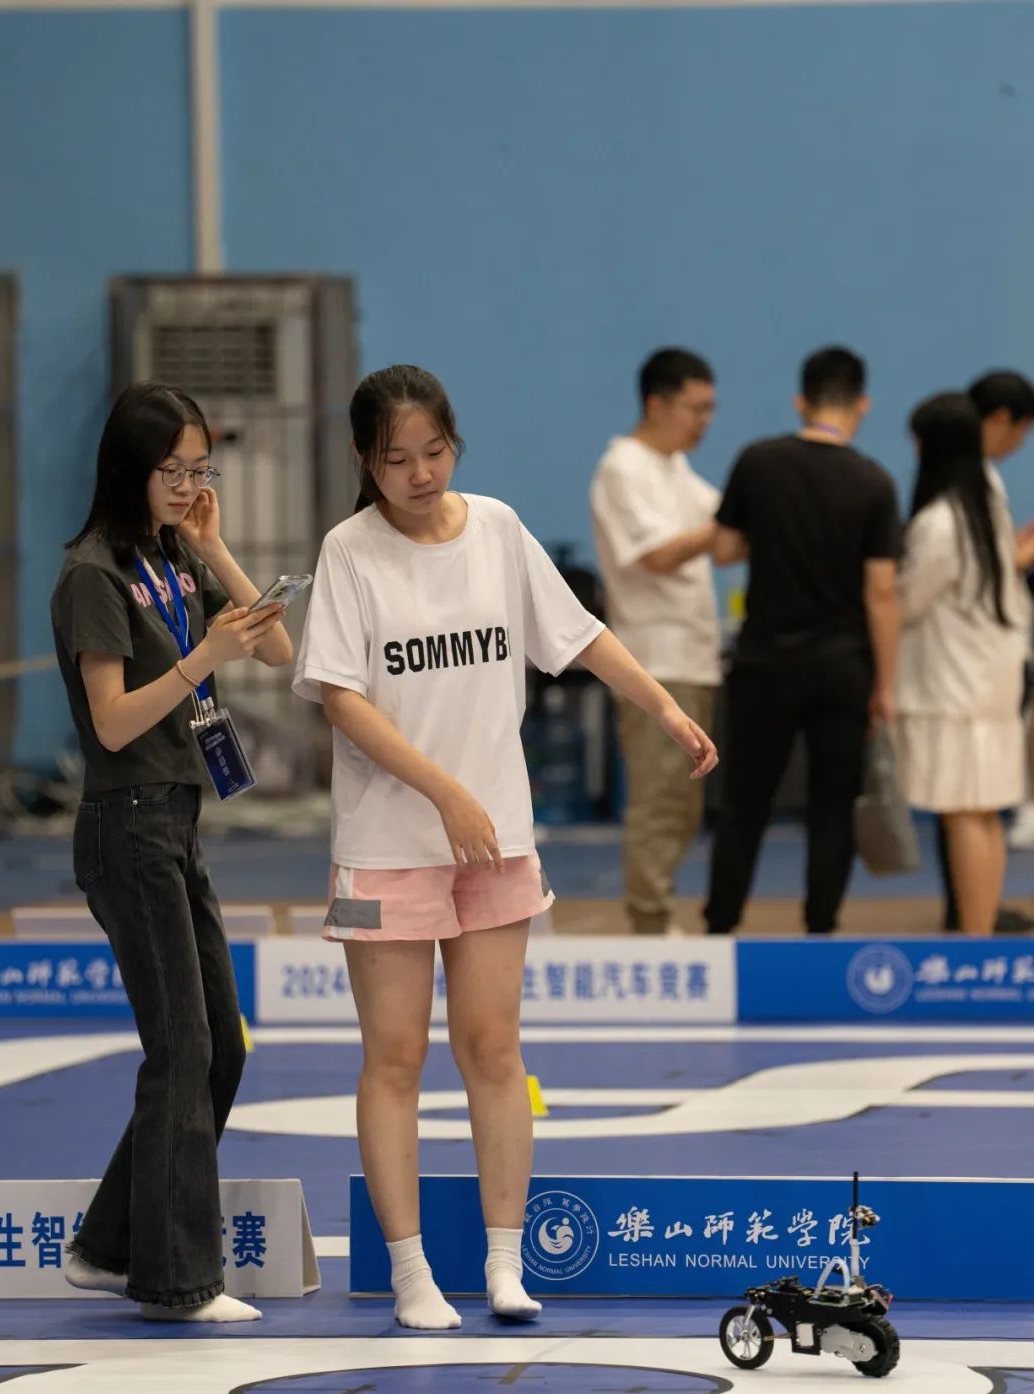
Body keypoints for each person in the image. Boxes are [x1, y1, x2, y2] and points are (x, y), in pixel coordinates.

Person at [293, 364, 718, 1330]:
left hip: (495, 843)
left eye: (435, 451)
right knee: (394, 1057)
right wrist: (444, 792)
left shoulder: (497, 529)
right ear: (364, 460)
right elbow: (344, 701)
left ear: (456, 443)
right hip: (386, 845)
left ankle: (505, 1262)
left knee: (493, 1048)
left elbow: (581, 635)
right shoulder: (349, 552)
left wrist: (661, 707)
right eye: (397, 459)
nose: (420, 473)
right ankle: (411, 1273)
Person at [51, 382, 291, 1323]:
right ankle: (176, 1279)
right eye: (175, 471)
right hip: (128, 823)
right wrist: (201, 662)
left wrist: (215, 550)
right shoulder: (94, 575)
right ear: (130, 470)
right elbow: (111, 723)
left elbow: (276, 651)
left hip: (175, 822)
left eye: (201, 469)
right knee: (183, 1049)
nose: (191, 486)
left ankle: (110, 1245)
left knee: (219, 1044)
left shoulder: (171, 556)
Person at [704, 346, 901, 934]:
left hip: (764, 661)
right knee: (833, 805)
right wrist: (886, 685)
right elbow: (882, 593)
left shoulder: (758, 461)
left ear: (801, 401)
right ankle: (821, 926)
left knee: (744, 803)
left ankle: (722, 925)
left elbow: (723, 549)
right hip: (843, 666)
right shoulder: (875, 482)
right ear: (862, 404)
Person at [590, 348, 721, 934]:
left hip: (694, 656)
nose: (704, 422)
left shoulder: (677, 469)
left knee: (684, 804)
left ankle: (657, 915)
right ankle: (648, 925)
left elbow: (727, 538)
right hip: (654, 663)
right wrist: (735, 520)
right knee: (660, 799)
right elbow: (660, 555)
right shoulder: (624, 468)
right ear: (656, 404)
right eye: (696, 408)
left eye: (711, 409)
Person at [897, 393, 1028, 933]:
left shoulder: (940, 522)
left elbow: (908, 601)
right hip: (988, 682)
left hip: (953, 689)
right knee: (984, 815)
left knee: (964, 816)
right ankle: (981, 935)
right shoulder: (981, 508)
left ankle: (974, 942)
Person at [935, 371, 1034, 930]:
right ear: (1000, 420)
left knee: (978, 807)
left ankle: (976, 919)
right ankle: (972, 925)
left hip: (980, 667)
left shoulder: (976, 484)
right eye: (1021, 432)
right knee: (968, 804)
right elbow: (980, 572)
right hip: (966, 670)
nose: (1019, 443)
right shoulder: (963, 488)